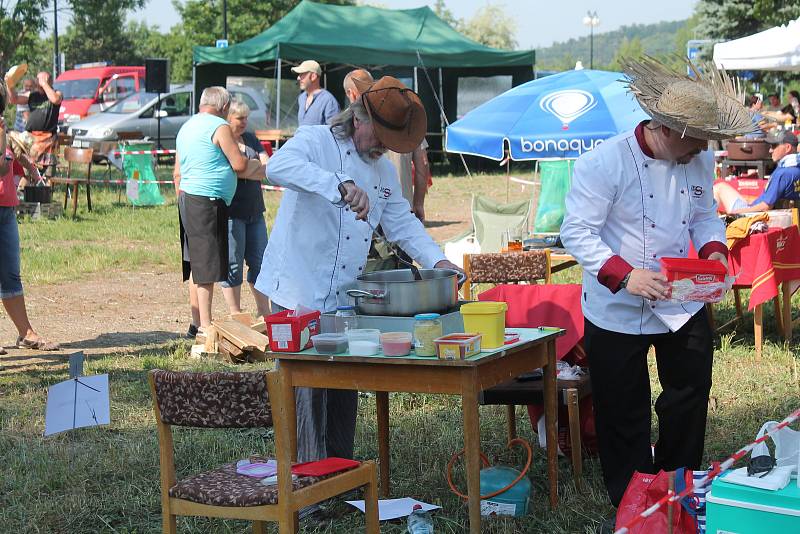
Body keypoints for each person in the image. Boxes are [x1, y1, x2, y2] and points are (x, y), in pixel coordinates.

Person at [560, 57, 752, 524]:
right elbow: (577, 233)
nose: (705, 148)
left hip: (682, 300)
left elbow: (705, 213)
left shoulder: (697, 156)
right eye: (697, 138)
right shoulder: (602, 164)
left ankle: (676, 484)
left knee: (689, 391)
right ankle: (631, 501)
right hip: (615, 306)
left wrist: (714, 253)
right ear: (665, 129)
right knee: (622, 407)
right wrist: (627, 276)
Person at [254, 76, 462, 466]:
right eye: (380, 136)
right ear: (359, 118)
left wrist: (439, 261)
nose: (383, 147)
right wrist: (339, 183)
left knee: (342, 384)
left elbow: (402, 224)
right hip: (298, 287)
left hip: (344, 296)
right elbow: (278, 167)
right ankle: (306, 486)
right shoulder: (316, 141)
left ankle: (339, 477)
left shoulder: (382, 173)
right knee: (306, 390)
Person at [173, 87, 264, 334]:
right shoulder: (218, 126)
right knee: (207, 269)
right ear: (224, 107)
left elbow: (177, 172)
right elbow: (238, 163)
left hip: (189, 198)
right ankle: (205, 327)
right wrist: (258, 166)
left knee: (197, 263)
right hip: (207, 201)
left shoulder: (187, 126)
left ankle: (197, 323)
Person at [0, 80, 59, 353]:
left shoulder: (4, 131)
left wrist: (18, 156)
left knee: (11, 273)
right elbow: (1, 167)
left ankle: (26, 333)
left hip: (6, 208)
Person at [343, 69, 431, 221]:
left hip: (374, 213)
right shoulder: (405, 119)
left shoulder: (402, 118)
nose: (384, 145)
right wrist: (418, 203)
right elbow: (422, 163)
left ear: (350, 93)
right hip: (372, 214)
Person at [219, 99, 271, 318]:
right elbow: (233, 170)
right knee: (233, 264)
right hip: (233, 212)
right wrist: (251, 168)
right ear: (229, 117)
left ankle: (263, 311)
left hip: (255, 211)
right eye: (240, 118)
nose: (244, 122)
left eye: (246, 118)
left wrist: (245, 169)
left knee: (260, 261)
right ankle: (236, 313)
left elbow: (268, 167)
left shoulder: (251, 138)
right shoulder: (223, 139)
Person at [714, 131, 800, 214]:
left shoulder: (783, 173)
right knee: (721, 186)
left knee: (718, 187)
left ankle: (710, 223)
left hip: (754, 216)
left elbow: (765, 207)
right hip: (776, 215)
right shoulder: (795, 168)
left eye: (774, 146)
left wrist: (735, 213)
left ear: (788, 148)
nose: (770, 150)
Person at [8, 72, 62, 175]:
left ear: (49, 81)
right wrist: (10, 84)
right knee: (27, 172)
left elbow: (55, 99)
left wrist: (44, 84)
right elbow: (14, 99)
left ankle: (46, 189)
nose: (38, 81)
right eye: (38, 79)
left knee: (48, 174)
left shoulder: (57, 93)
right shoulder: (32, 95)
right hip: (31, 140)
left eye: (41, 79)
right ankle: (23, 189)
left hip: (48, 140)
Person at [292, 60, 340, 126]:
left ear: (313, 76)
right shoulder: (301, 98)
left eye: (302, 74)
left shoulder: (328, 100)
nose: (298, 78)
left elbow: (335, 131)